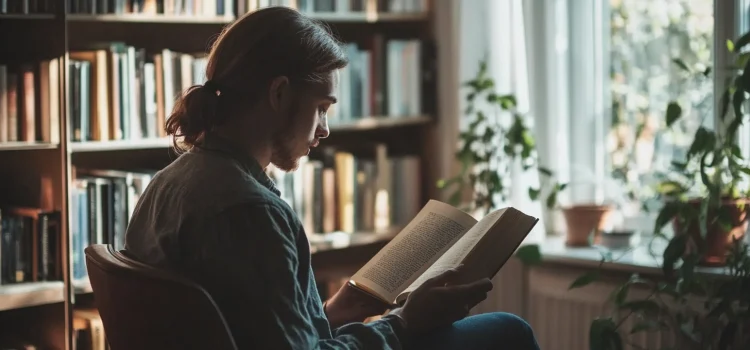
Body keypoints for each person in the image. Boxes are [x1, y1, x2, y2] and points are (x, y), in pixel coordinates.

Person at [124, 6, 540, 350]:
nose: (324, 129)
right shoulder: (249, 211)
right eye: (321, 107)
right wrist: (404, 321)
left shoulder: (167, 184)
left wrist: (338, 309)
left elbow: (254, 329)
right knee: (508, 331)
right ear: (279, 93)